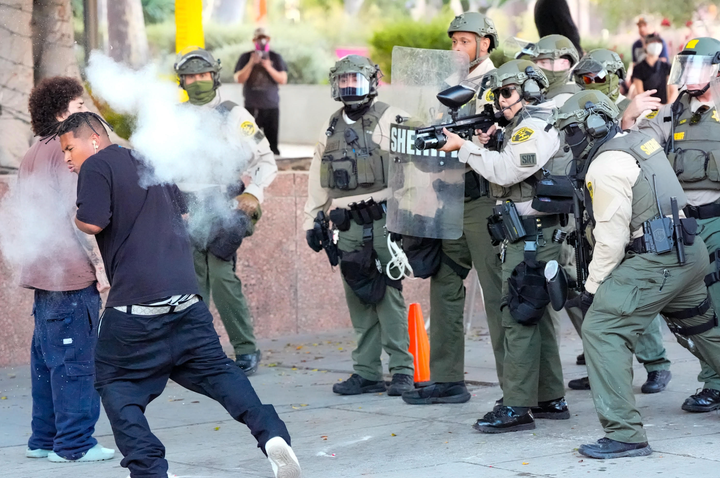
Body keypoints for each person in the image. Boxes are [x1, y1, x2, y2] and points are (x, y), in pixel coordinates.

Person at [58, 111, 301, 478]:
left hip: (135, 312)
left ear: (93, 139)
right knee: (219, 372)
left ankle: (151, 470)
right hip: (186, 302)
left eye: (69, 148)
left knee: (114, 383)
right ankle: (271, 437)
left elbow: (92, 221)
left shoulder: (96, 165)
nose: (66, 159)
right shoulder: (150, 160)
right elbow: (186, 214)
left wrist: (71, 216)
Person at [551, 89, 720, 459]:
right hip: (688, 252)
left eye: (569, 131)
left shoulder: (605, 164)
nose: (567, 141)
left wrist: (594, 289)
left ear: (587, 129)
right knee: (701, 326)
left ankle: (625, 435)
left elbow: (611, 240)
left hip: (656, 258)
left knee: (601, 327)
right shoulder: (639, 141)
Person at [439, 60, 571, 432]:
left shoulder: (534, 126)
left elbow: (507, 171)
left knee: (517, 315)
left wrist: (465, 148)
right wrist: (486, 142)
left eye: (507, 93)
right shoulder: (524, 125)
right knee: (535, 314)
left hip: (532, 235)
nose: (500, 101)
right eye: (497, 93)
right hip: (530, 233)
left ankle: (517, 405)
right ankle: (549, 396)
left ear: (529, 91)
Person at [401, 11, 504, 406]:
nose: (457, 48)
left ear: (486, 43)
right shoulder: (445, 86)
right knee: (443, 283)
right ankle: (447, 378)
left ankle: (516, 387)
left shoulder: (500, 83)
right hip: (447, 196)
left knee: (498, 294)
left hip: (485, 198)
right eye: (454, 41)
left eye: (465, 41)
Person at [16, 77, 115, 463]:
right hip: (71, 275)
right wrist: (102, 270)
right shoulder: (65, 151)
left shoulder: (31, 153)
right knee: (75, 363)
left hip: (43, 275)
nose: (84, 112)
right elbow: (81, 215)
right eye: (77, 106)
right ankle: (75, 444)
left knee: (46, 359)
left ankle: (43, 439)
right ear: (61, 112)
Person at [304, 55, 415, 396]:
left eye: (357, 81)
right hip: (346, 225)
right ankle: (366, 372)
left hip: (384, 220)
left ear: (372, 82)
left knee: (389, 296)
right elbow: (316, 180)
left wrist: (403, 211)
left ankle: (402, 371)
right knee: (358, 295)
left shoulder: (392, 118)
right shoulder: (330, 126)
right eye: (344, 82)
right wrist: (313, 219)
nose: (351, 88)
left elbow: (412, 169)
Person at [621, 37, 720, 414]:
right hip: (683, 228)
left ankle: (714, 384)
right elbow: (635, 147)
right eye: (687, 67)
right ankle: (714, 381)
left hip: (718, 221)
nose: (690, 77)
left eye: (698, 68)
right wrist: (629, 117)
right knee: (694, 312)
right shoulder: (671, 113)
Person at [568, 49, 673, 393]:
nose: (592, 84)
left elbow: (648, 146)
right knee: (594, 292)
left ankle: (656, 362)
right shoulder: (581, 109)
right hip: (594, 208)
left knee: (634, 297)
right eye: (585, 79)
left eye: (599, 77)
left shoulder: (636, 105)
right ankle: (605, 364)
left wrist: (626, 121)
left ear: (615, 75)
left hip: (634, 214)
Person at [175, 46, 278, 375]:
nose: (197, 81)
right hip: (187, 208)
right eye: (190, 76)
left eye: (202, 75)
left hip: (224, 204)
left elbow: (266, 160)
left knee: (221, 277)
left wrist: (253, 193)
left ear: (214, 76)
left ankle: (246, 349)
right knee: (192, 284)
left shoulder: (235, 115)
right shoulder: (173, 120)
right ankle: (198, 352)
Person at [234, 27, 288, 156]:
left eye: (265, 39)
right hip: (252, 108)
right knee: (251, 142)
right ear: (254, 40)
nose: (262, 42)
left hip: (271, 107)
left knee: (272, 146)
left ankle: (273, 168)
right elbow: (239, 78)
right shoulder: (246, 57)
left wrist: (268, 67)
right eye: (259, 39)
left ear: (269, 40)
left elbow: (283, 79)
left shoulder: (275, 57)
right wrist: (251, 63)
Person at [524, 34, 581, 106]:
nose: (536, 67)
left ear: (564, 63)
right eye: (535, 62)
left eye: (543, 62)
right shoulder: (550, 91)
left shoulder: (564, 100)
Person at [632, 34, 677, 104]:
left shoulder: (667, 67)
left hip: (665, 108)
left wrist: (666, 109)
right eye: (652, 42)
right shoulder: (638, 69)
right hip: (646, 108)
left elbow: (674, 91)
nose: (656, 45)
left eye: (658, 42)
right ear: (645, 45)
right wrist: (656, 106)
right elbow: (640, 93)